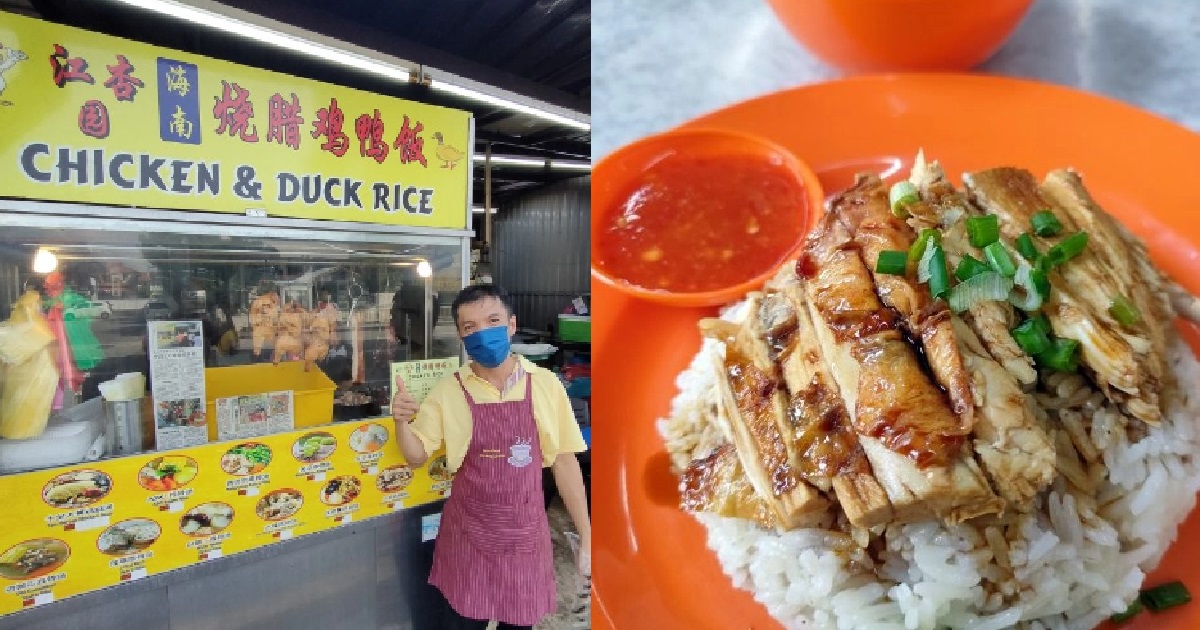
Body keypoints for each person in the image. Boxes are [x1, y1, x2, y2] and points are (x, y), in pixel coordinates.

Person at [391, 284, 589, 630]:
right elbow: (417, 457)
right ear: (461, 336)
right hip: (469, 539)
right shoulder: (449, 390)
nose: (482, 333)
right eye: (470, 327)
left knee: (519, 624)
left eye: (492, 320)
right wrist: (401, 423)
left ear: (512, 325)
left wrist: (587, 536)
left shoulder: (545, 384)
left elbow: (564, 462)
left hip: (524, 538)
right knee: (462, 622)